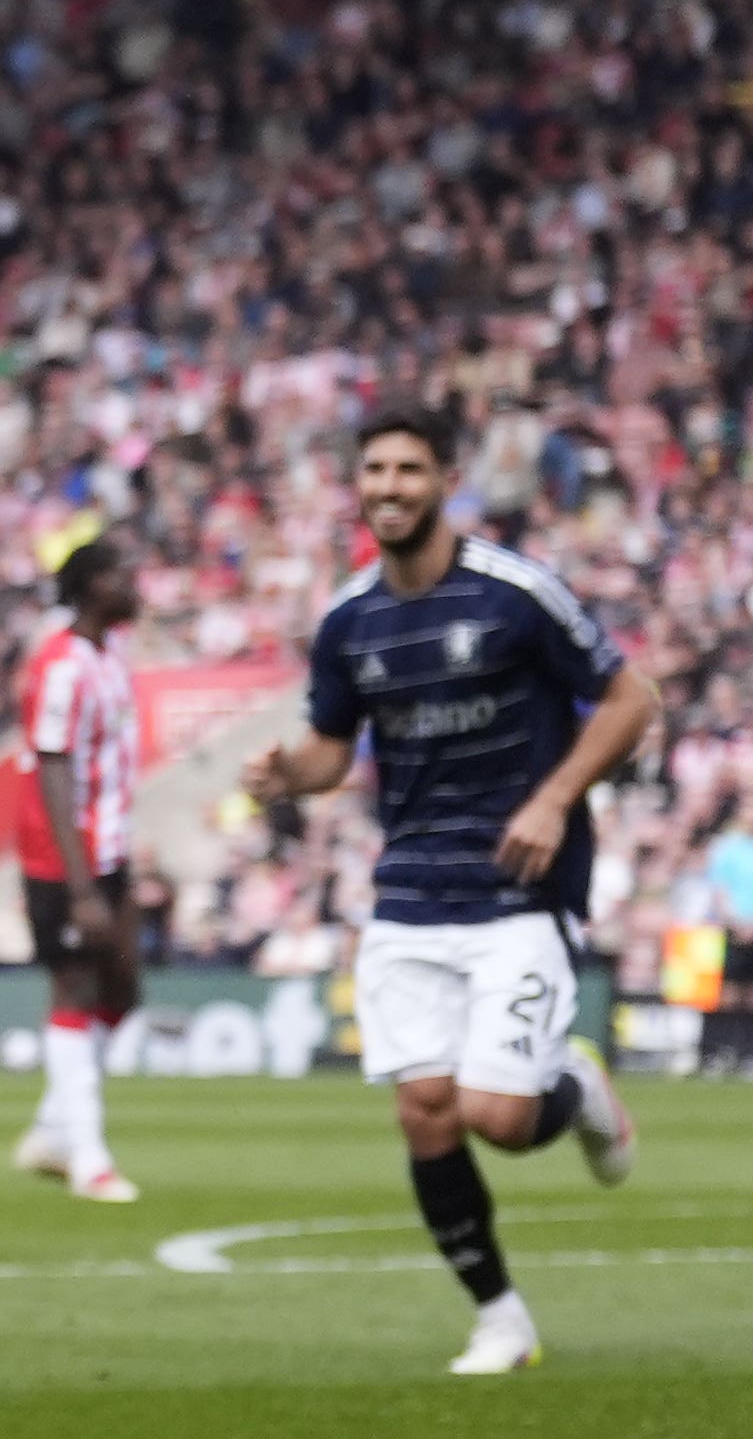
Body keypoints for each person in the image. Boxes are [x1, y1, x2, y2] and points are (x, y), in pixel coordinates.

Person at [242, 402, 655, 1375]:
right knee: (422, 1106)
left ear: (443, 479)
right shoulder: (348, 621)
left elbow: (632, 697)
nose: (387, 487)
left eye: (406, 470)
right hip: (408, 894)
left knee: (498, 1118)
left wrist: (554, 798)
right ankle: (499, 1316)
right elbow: (329, 750)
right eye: (373, 470)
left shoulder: (513, 594)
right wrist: (282, 774)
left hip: (517, 887)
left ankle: (576, 1086)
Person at [11, 537, 143, 1201]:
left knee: (122, 991)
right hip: (62, 860)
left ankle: (51, 1128)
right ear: (92, 585)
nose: (136, 584)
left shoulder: (108, 652)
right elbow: (52, 768)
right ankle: (88, 1158)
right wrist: (80, 884)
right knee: (76, 989)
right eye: (123, 573)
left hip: (109, 849)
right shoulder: (62, 665)